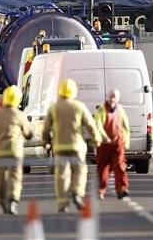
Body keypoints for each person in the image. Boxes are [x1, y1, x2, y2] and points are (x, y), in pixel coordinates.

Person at [42, 78, 102, 213]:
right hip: (77, 146)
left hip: (59, 147)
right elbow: (90, 124)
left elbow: (46, 128)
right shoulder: (79, 106)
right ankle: (77, 193)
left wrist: (45, 142)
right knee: (80, 171)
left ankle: (63, 204)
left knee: (62, 175)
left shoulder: (54, 108)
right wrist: (96, 139)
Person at [0, 85, 33, 215]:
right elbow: (28, 134)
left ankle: (2, 201)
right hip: (15, 153)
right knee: (15, 178)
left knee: (2, 180)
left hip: (0, 153)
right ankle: (12, 201)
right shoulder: (20, 115)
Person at [95, 88, 130, 200]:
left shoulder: (121, 110)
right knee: (103, 169)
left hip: (118, 144)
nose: (113, 98)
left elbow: (126, 126)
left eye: (115, 96)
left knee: (120, 167)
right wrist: (104, 138)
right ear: (107, 97)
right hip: (104, 145)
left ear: (118, 98)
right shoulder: (101, 110)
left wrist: (126, 141)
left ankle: (122, 189)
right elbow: (98, 125)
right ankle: (101, 191)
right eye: (111, 96)